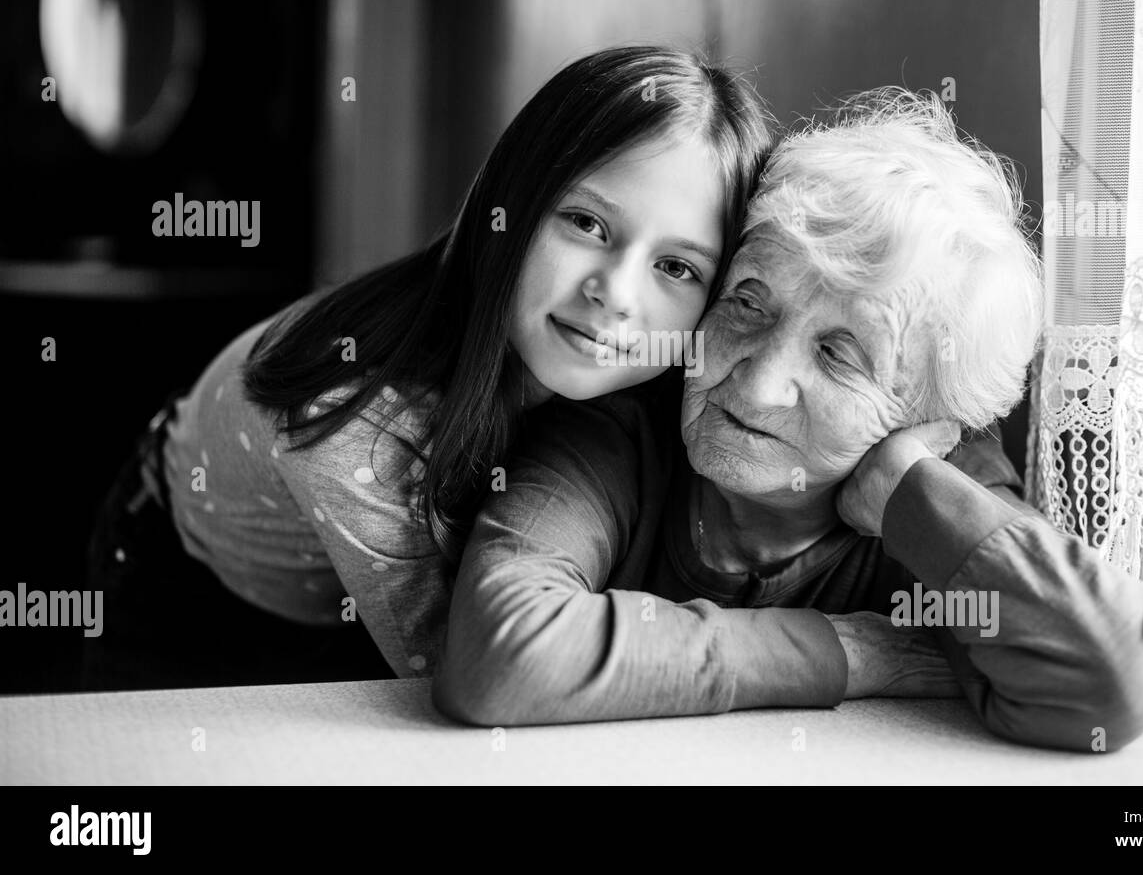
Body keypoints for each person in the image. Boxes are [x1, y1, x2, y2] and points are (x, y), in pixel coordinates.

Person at [433, 88, 1143, 752]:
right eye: (749, 302)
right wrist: (850, 653)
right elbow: (501, 658)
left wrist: (906, 497)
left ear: (928, 419)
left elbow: (1115, 674)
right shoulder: (619, 434)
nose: (757, 386)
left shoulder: (936, 500)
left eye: (838, 354)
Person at [78, 45, 773, 691]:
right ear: (511, 203)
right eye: (586, 223)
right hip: (192, 589)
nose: (616, 294)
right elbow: (490, 677)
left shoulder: (652, 386)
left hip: (364, 588)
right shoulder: (358, 420)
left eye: (676, 267)